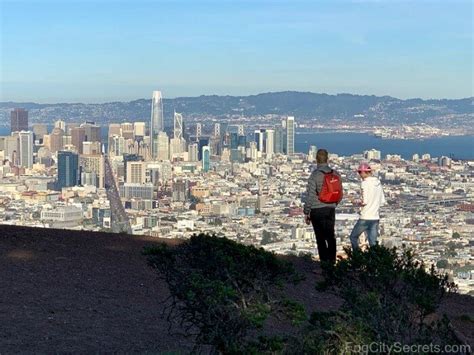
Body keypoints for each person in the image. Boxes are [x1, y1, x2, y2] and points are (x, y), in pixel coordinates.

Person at [304, 149, 342, 264]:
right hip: (330, 209)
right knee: (330, 236)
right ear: (327, 159)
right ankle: (332, 262)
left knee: (320, 238)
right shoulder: (335, 174)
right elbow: (340, 194)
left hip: (316, 210)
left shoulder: (314, 175)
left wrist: (306, 212)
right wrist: (333, 204)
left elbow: (310, 196)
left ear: (316, 160)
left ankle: (324, 264)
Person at [349, 162, 386, 250]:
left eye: (359, 172)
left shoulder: (364, 183)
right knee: (373, 243)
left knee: (353, 237)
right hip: (375, 217)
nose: (359, 175)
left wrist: (354, 201)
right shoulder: (378, 183)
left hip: (365, 217)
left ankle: (357, 257)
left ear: (364, 172)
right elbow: (382, 201)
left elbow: (364, 201)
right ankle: (375, 260)